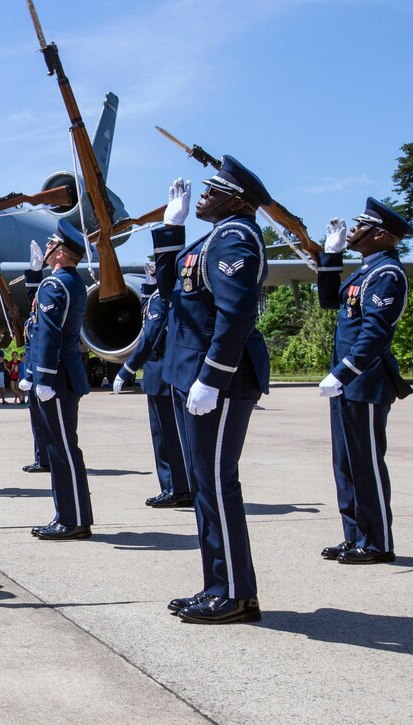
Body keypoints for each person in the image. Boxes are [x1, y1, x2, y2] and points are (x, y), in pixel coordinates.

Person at [152, 158, 271, 624]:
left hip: (215, 380)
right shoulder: (212, 238)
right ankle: (219, 586)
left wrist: (213, 376)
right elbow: (170, 293)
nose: (200, 196)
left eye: (212, 189)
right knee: (205, 485)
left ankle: (236, 594)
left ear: (237, 200)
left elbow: (236, 314)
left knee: (216, 484)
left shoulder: (236, 237)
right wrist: (170, 232)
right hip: (192, 375)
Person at [316, 200, 413, 564]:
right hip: (347, 382)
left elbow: (374, 333)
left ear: (383, 235)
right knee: (345, 462)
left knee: (366, 463)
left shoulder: (387, 273)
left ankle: (378, 543)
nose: (354, 230)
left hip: (366, 380)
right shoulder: (364, 272)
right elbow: (329, 301)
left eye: (362, 227)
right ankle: (355, 534)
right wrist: (331, 255)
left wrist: (342, 373)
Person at [29, 219, 93, 540]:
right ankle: (71, 515)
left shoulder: (54, 285)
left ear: (61, 253)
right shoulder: (71, 282)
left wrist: (43, 377)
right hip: (66, 375)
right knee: (63, 446)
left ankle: (72, 519)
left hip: (57, 378)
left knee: (63, 449)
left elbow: (50, 334)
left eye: (52, 242)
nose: (48, 245)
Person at [113, 263, 193, 508]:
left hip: (161, 376)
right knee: (165, 436)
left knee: (168, 437)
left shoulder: (162, 297)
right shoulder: (160, 295)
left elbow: (150, 335)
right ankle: (174, 486)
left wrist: (127, 368)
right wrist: (148, 283)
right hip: (159, 376)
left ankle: (177, 488)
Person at [19, 240, 51, 474]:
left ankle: (46, 458)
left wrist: (30, 373)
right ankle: (42, 457)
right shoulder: (33, 314)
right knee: (37, 421)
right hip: (35, 374)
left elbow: (40, 344)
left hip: (42, 374)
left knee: (44, 420)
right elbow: (34, 297)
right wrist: (34, 271)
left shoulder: (39, 314)